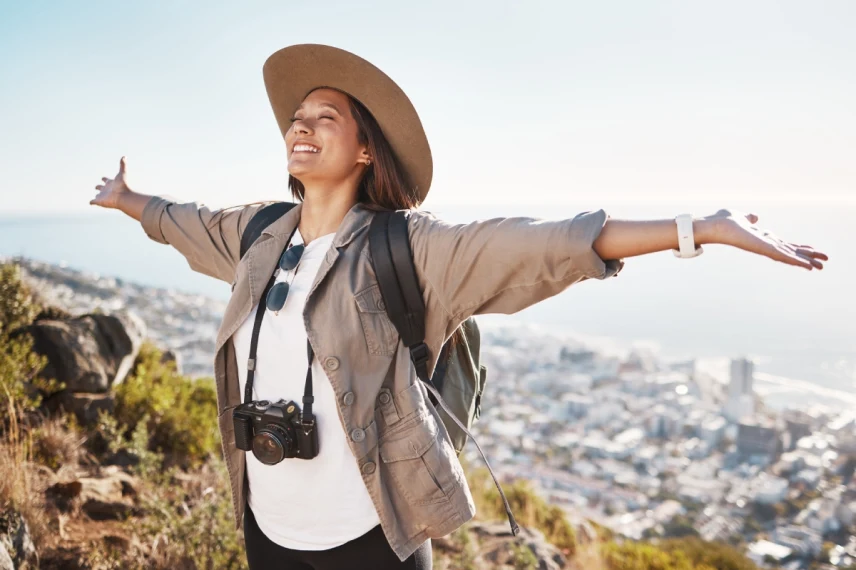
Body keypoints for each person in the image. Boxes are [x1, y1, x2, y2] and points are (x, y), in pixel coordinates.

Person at [89, 44, 827, 570]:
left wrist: (701, 229)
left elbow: (541, 244)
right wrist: (126, 199)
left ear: (367, 151)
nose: (301, 125)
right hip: (267, 530)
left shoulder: (410, 250)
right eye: (297, 116)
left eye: (326, 117)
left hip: (371, 540)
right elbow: (176, 219)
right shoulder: (256, 236)